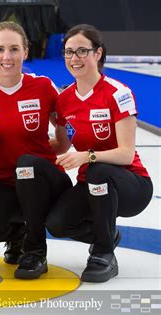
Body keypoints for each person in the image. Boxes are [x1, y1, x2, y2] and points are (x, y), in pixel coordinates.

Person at [46, 24, 152, 282]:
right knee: (57, 223)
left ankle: (104, 254)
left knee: (98, 169)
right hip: (91, 181)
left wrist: (87, 156)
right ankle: (106, 235)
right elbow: (60, 144)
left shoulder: (118, 93)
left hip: (130, 184)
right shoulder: (64, 99)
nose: (74, 58)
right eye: (69, 52)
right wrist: (18, 143)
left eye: (82, 51)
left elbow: (126, 155)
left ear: (98, 53)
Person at [0, 21, 72, 279]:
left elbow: (65, 131)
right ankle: (18, 235)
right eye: (0, 49)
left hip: (43, 180)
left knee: (27, 164)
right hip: (5, 181)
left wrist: (60, 146)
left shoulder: (43, 87)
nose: (7, 56)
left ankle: (36, 251)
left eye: (14, 49)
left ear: (26, 52)